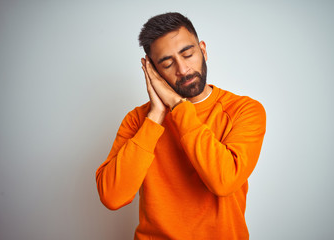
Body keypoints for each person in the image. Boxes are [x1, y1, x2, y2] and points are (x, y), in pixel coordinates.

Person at [96, 12, 266, 240]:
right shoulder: (138, 120)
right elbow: (112, 196)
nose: (183, 70)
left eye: (188, 54)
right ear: (153, 71)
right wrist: (156, 115)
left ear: (203, 50)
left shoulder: (244, 110)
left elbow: (223, 181)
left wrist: (178, 106)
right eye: (167, 63)